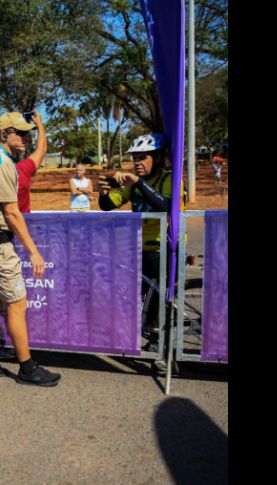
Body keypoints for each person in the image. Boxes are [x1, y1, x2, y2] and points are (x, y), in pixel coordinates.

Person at [0, 112, 61, 387]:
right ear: (3, 134)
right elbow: (12, 212)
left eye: (27, 133)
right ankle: (27, 369)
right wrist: (34, 251)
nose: (25, 138)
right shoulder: (2, 163)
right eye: (20, 133)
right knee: (18, 304)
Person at [98, 133, 178, 367]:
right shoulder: (132, 184)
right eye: (135, 158)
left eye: (143, 158)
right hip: (139, 248)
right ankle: (145, 337)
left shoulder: (170, 180)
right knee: (134, 297)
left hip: (165, 247)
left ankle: (163, 349)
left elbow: (167, 206)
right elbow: (106, 205)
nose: (138, 163)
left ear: (158, 158)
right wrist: (103, 190)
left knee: (161, 301)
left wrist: (138, 183)